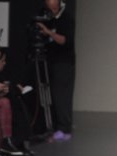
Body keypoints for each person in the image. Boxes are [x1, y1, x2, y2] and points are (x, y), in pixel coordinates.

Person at [38, 0, 75, 141]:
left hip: (64, 62)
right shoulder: (47, 16)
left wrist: (48, 32)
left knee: (62, 96)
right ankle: (55, 127)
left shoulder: (67, 18)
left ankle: (64, 129)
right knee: (53, 96)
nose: (51, 7)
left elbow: (65, 40)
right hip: (51, 61)